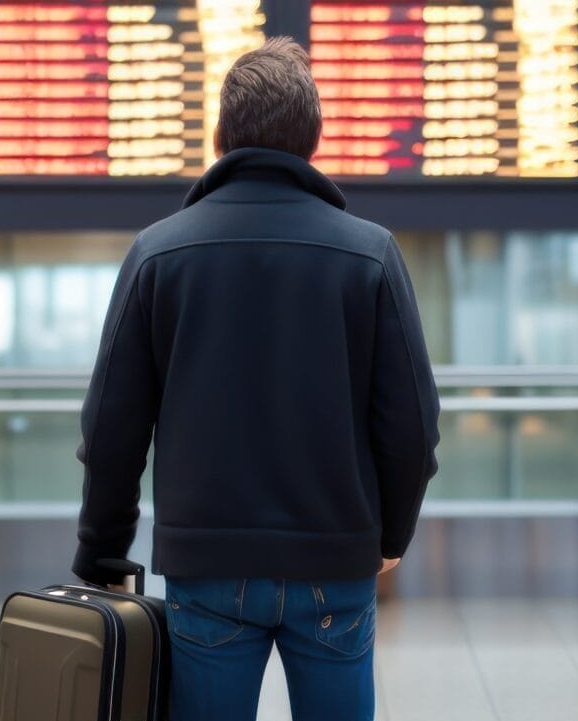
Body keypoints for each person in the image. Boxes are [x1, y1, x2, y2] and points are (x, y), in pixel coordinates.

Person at [73, 37, 441, 721]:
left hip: (207, 563)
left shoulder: (159, 253)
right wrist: (389, 536)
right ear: (314, 138)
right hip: (336, 562)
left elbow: (111, 425)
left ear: (220, 135)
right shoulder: (369, 255)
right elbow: (413, 426)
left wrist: (102, 548)